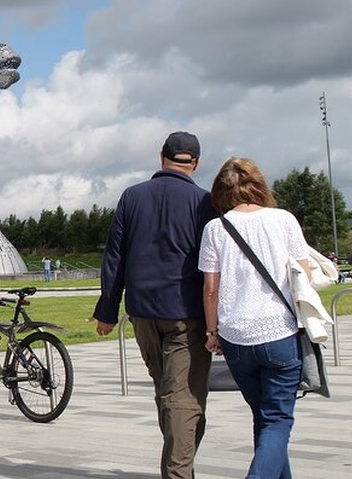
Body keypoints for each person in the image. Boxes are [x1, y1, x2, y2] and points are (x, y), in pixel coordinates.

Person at [93, 131, 216, 479]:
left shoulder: (132, 197)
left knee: (168, 393)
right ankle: (179, 472)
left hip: (143, 312)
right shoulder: (203, 202)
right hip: (185, 312)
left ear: (160, 155)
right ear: (195, 162)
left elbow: (114, 258)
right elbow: (212, 263)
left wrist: (107, 311)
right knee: (183, 397)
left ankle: (179, 463)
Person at [198, 157, 312, 479]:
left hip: (236, 338)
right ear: (260, 185)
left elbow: (210, 289)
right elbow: (303, 275)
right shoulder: (284, 220)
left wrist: (211, 331)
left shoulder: (214, 229)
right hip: (280, 331)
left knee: (264, 418)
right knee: (277, 420)